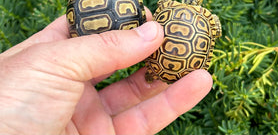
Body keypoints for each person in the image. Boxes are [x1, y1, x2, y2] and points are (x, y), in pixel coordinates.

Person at [0, 9, 212, 135]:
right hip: (183, 58)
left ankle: (153, 72)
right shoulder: (203, 17)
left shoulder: (169, 8)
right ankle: (154, 73)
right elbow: (214, 27)